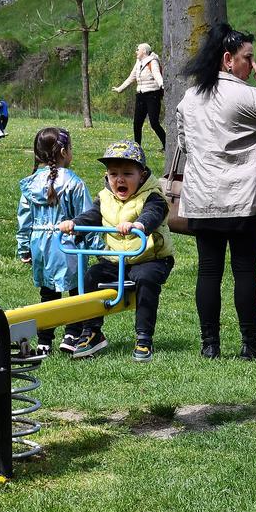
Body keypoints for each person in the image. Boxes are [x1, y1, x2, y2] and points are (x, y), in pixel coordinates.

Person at [177, 22, 256, 360]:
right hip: (243, 199)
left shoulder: (190, 96)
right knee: (244, 270)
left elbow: (185, 144)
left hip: (201, 199)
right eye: (248, 58)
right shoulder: (248, 95)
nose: (253, 65)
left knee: (208, 271)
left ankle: (209, 346)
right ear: (228, 59)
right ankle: (250, 344)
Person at [60, 141, 174, 362]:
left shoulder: (153, 196)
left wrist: (139, 225)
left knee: (146, 279)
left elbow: (153, 214)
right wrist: (75, 225)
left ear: (142, 175)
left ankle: (143, 338)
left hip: (150, 257)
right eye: (113, 174)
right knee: (91, 277)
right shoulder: (104, 198)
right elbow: (93, 215)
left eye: (127, 173)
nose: (119, 179)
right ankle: (91, 331)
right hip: (116, 258)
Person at [16, 126, 91, 356]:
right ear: (63, 151)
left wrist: (24, 247)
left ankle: (44, 340)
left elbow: (24, 219)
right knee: (75, 290)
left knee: (48, 293)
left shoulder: (31, 185)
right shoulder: (74, 182)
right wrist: (95, 247)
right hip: (67, 244)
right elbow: (86, 216)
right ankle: (71, 333)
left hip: (40, 245)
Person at [113, 42, 166, 149]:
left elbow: (157, 75)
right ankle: (137, 147)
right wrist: (120, 89)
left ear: (144, 51)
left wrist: (162, 84)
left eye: (138, 49)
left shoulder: (153, 61)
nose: (136, 51)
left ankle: (166, 145)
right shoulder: (139, 62)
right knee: (137, 123)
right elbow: (131, 77)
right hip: (141, 96)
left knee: (154, 123)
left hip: (152, 95)